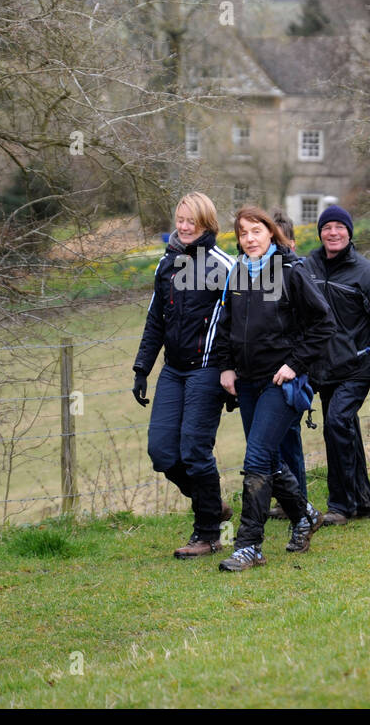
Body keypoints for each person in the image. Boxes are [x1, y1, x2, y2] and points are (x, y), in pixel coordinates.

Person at [213, 206, 335, 571]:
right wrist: (226, 368)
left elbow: (323, 324)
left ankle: (249, 545)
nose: (249, 239)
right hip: (246, 382)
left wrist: (294, 364)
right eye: (243, 233)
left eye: (256, 231)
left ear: (271, 233)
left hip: (282, 383)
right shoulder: (237, 273)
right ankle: (305, 515)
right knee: (268, 459)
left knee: (255, 460)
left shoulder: (291, 271)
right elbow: (225, 326)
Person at [132, 192, 236, 558]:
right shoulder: (167, 264)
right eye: (180, 219)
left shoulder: (225, 265)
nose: (185, 226)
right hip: (173, 371)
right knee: (161, 451)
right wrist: (142, 367)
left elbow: (240, 323)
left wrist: (232, 372)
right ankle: (213, 503)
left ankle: (207, 533)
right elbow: (154, 320)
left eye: (192, 220)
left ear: (207, 223)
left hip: (208, 370)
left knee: (194, 450)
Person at [304, 205, 370, 525]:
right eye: (327, 227)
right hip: (323, 368)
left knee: (336, 423)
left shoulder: (368, 274)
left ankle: (341, 505)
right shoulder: (309, 267)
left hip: (358, 365)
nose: (333, 232)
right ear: (320, 233)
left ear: (349, 232)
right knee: (343, 428)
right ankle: (362, 501)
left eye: (339, 227)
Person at [269, 210, 309, 515]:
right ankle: (286, 498)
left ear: (292, 243)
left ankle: (297, 500)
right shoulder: (254, 274)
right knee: (272, 438)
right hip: (265, 369)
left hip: (292, 368)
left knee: (289, 436)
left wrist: (297, 363)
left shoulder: (298, 273)